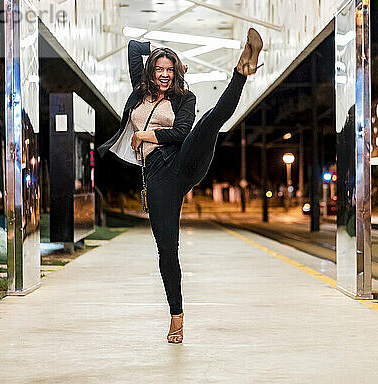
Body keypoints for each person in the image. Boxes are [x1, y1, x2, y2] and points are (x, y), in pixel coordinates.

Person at [98, 28, 263, 344]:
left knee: (209, 121)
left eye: (169, 69)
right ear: (151, 71)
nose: (163, 74)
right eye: (159, 69)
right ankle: (176, 316)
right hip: (157, 176)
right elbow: (134, 47)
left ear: (176, 73)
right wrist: (159, 48)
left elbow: (182, 133)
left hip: (182, 160)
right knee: (167, 250)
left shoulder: (185, 98)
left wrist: (145, 136)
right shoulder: (139, 92)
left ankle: (242, 71)